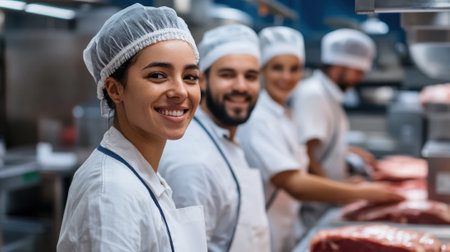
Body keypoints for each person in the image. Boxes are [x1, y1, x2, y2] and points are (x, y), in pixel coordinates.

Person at [237, 26, 404, 252]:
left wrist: (348, 165)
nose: (287, 77)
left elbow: (303, 158)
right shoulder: (259, 119)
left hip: (285, 227)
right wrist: (361, 193)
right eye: (277, 68)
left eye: (294, 68)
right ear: (262, 70)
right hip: (266, 232)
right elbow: (294, 183)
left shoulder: (284, 115)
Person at [57, 4, 207, 252]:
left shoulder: (141, 173)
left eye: (190, 76)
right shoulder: (110, 193)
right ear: (115, 89)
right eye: (158, 75)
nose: (181, 91)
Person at [159, 24, 270, 252]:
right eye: (227, 75)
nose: (241, 86)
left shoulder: (223, 138)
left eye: (250, 76)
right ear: (203, 80)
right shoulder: (193, 160)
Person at [290, 28, 377, 182]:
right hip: (314, 204)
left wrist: (348, 152)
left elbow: (321, 149)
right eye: (358, 71)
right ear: (338, 66)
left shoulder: (328, 95)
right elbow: (306, 156)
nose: (360, 79)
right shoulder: (314, 94)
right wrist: (341, 193)